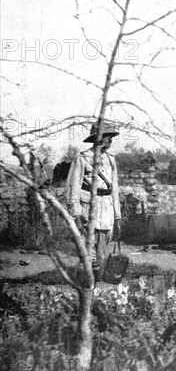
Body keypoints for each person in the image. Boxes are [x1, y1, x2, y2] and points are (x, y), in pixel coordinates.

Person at [66, 122, 121, 284]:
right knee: (88, 249)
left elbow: (115, 188)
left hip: (107, 209)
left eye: (111, 137)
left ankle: (95, 281)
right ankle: (86, 282)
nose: (110, 140)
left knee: (102, 252)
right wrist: (75, 212)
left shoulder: (111, 160)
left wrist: (117, 216)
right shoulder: (82, 158)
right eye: (106, 136)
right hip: (88, 207)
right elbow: (73, 186)